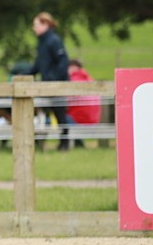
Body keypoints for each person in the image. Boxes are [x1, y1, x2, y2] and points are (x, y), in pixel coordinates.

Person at [27, 11, 73, 149]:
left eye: (36, 25)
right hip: (46, 85)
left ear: (45, 24)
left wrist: (53, 79)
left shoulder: (54, 40)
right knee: (42, 113)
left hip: (55, 85)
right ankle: (39, 142)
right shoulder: (42, 43)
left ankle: (64, 143)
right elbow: (38, 65)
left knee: (59, 113)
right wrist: (24, 74)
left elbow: (63, 62)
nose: (34, 28)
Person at [66, 59, 101, 147]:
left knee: (62, 117)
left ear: (72, 67)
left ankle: (74, 143)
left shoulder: (72, 81)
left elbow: (66, 102)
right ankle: (78, 142)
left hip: (79, 120)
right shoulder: (90, 79)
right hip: (94, 120)